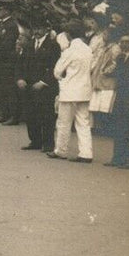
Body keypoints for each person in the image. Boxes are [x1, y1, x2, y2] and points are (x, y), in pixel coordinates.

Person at [49, 23, 95, 162]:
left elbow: (57, 71)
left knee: (64, 122)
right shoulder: (88, 50)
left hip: (69, 91)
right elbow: (92, 68)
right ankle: (86, 153)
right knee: (83, 123)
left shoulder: (69, 51)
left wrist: (62, 79)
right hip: (84, 90)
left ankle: (61, 150)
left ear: (68, 35)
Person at [17, 12, 62, 151]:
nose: (36, 31)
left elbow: (55, 67)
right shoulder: (29, 44)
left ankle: (48, 143)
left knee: (46, 115)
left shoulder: (53, 45)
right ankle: (35, 141)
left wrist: (43, 82)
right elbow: (21, 64)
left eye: (39, 28)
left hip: (45, 86)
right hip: (29, 84)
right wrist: (20, 78)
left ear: (46, 29)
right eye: (34, 28)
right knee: (31, 114)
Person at [106, 36, 129, 169]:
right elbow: (108, 72)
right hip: (121, 96)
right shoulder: (119, 58)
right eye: (122, 42)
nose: (124, 44)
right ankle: (117, 159)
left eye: (127, 42)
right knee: (120, 128)